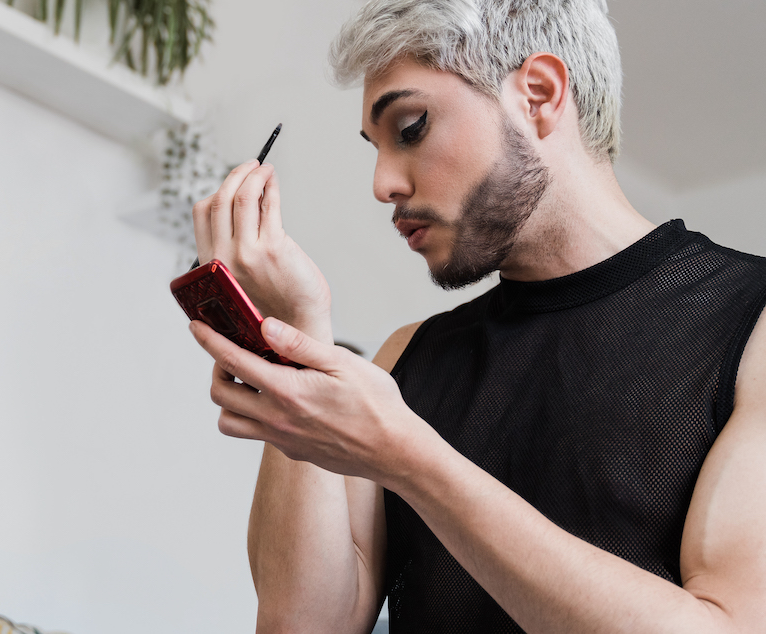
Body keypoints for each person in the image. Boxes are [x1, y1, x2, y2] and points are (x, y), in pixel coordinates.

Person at [185, 0, 766, 632]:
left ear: (539, 96)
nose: (382, 184)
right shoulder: (404, 361)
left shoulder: (751, 319)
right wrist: (289, 335)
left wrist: (408, 457)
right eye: (374, 148)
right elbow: (302, 625)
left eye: (410, 128)